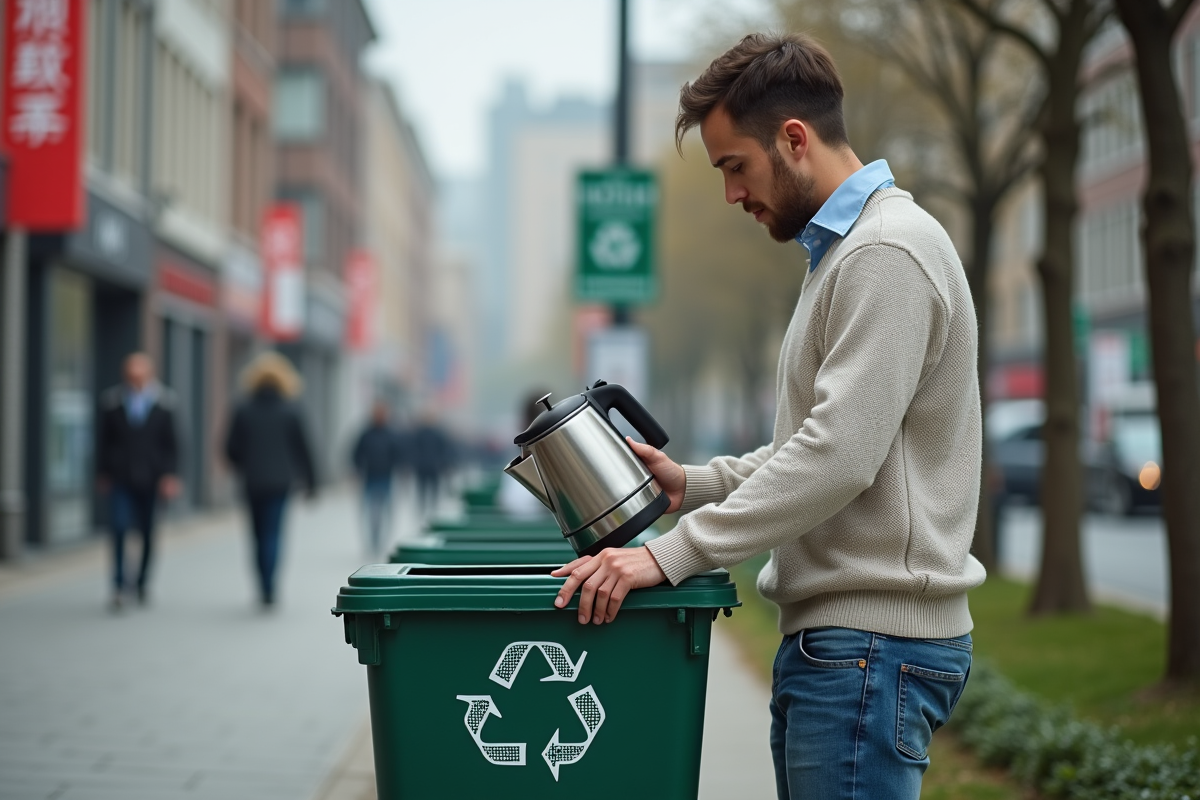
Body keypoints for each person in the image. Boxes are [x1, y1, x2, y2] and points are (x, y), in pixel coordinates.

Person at [552, 33, 986, 799]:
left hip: (868, 650)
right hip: (848, 651)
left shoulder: (885, 253)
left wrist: (671, 554)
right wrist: (692, 482)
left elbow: (839, 458)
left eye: (734, 167)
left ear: (793, 139)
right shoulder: (846, 254)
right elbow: (819, 443)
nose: (730, 194)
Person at [224, 352, 316, 608]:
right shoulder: (292, 409)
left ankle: (261, 584)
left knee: (256, 535)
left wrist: (245, 464)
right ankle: (270, 586)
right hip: (280, 483)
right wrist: (311, 483)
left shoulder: (242, 408)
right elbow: (304, 448)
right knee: (273, 534)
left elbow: (230, 449)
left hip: (252, 481)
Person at [96, 353, 181, 611]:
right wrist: (102, 472)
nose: (136, 380)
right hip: (121, 476)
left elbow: (174, 444)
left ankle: (142, 581)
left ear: (149, 375)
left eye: (140, 375)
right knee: (119, 528)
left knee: (146, 531)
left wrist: (171, 475)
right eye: (131, 375)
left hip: (152, 478)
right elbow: (102, 441)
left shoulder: (165, 403)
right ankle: (120, 584)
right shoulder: (112, 402)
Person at [351, 401, 401, 558]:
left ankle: (381, 540)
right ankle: (372, 541)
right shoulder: (366, 433)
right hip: (370, 477)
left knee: (385, 511)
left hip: (386, 477)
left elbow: (398, 454)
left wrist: (398, 467)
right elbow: (356, 453)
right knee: (371, 512)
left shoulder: (391, 434)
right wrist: (357, 469)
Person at [405, 411, 453, 516]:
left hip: (431, 467)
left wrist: (443, 464)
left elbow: (443, 451)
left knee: (430, 490)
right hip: (424, 467)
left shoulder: (435, 434)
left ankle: (430, 509)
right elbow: (413, 449)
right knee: (423, 490)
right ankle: (424, 510)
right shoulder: (421, 433)